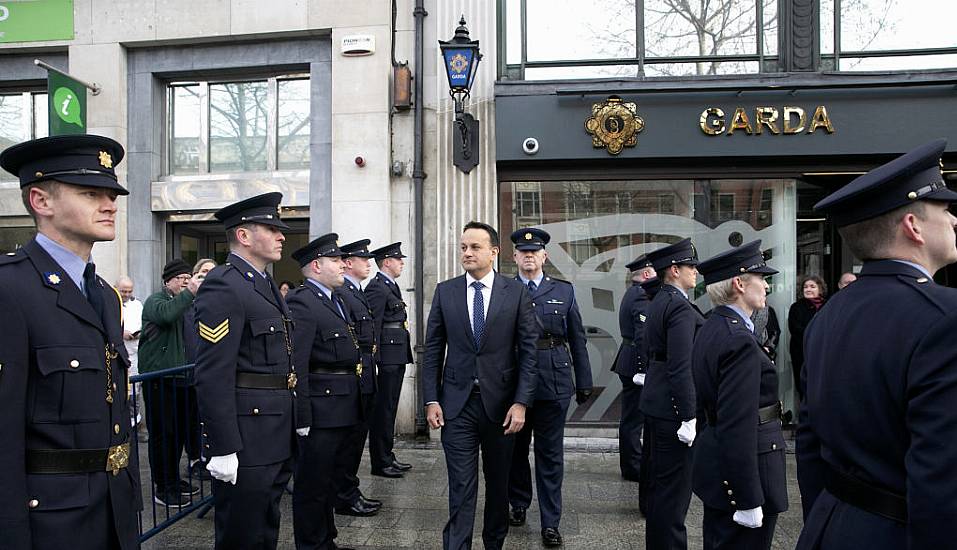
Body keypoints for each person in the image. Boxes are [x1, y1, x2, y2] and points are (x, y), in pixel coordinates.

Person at [796, 139, 957, 549]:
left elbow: (810, 446)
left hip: (831, 525)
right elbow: (942, 480)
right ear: (913, 226)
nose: (954, 220)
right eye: (944, 209)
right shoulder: (944, 317)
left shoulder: (827, 317)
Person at [0, 134, 140, 549]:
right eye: (90, 193)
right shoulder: (10, 289)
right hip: (50, 522)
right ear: (41, 202)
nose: (110, 204)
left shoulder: (102, 292)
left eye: (111, 194)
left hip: (112, 507)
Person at [192, 192, 308, 550]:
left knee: (264, 527)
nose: (281, 236)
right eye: (272, 228)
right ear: (243, 236)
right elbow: (213, 372)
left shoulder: (262, 283)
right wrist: (223, 446)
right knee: (242, 533)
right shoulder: (225, 284)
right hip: (247, 435)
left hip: (274, 430)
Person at [423, 221, 538, 550]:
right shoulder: (446, 291)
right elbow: (433, 349)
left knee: (499, 485)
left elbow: (529, 352)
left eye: (474, 247)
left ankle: (493, 542)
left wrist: (521, 403)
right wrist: (431, 399)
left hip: (501, 408)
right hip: (456, 406)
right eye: (463, 247)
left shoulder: (514, 292)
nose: (467, 253)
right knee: (461, 485)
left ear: (494, 252)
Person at [692, 240, 788, 550]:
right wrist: (747, 497)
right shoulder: (739, 340)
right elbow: (737, 422)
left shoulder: (713, 326)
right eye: (761, 279)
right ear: (739, 283)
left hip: (721, 463)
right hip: (747, 472)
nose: (766, 287)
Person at [507, 228, 593, 547]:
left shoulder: (564, 291)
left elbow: (578, 338)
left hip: (553, 379)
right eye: (523, 251)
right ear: (514, 256)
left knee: (550, 455)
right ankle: (518, 503)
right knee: (515, 450)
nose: (529, 256)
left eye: (535, 251)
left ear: (545, 256)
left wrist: (584, 380)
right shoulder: (503, 289)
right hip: (514, 383)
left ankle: (550, 522)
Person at [287, 233, 362, 550]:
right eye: (335, 260)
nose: (343, 264)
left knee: (329, 479)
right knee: (312, 485)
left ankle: (326, 538)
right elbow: (298, 364)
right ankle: (311, 543)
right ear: (316, 266)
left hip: (343, 406)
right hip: (320, 410)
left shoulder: (336, 299)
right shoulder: (302, 302)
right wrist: (302, 415)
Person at [640, 237, 705, 550]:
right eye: (690, 266)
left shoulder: (661, 300)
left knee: (660, 489)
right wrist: (688, 415)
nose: (696, 271)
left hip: (657, 401)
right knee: (674, 494)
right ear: (674, 270)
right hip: (671, 408)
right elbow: (680, 365)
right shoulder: (677, 306)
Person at [138, 258, 202, 507]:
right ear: (167, 281)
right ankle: (163, 486)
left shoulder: (188, 303)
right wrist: (189, 294)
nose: (187, 283)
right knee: (163, 435)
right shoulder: (157, 301)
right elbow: (167, 316)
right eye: (181, 280)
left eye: (189, 278)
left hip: (183, 379)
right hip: (160, 379)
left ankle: (174, 479)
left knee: (178, 435)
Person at [333, 239, 382, 517]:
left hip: (365, 371)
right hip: (356, 373)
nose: (368, 264)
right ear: (348, 263)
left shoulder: (356, 292)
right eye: (363, 260)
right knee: (350, 441)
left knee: (356, 438)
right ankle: (345, 494)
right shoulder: (344, 293)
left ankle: (349, 490)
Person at [365, 242, 414, 477]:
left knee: (390, 408)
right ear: (386, 262)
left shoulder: (390, 286)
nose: (402, 263)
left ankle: (387, 455)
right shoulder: (377, 287)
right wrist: (374, 360)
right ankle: (381, 461)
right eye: (398, 259)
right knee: (383, 410)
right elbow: (373, 325)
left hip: (396, 355)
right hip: (386, 358)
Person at [611, 254, 655, 488]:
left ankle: (630, 463)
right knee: (633, 419)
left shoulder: (634, 292)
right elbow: (642, 335)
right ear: (647, 274)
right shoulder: (641, 295)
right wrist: (645, 368)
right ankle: (633, 466)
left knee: (631, 416)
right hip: (635, 363)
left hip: (629, 360)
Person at [183, 258, 216, 481]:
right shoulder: (186, 303)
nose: (207, 276)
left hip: (214, 373)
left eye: (212, 273)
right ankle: (195, 459)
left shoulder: (221, 300)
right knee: (193, 420)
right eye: (203, 272)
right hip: (192, 371)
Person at [787, 275, 826, 401]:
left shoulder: (828, 305)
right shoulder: (796, 307)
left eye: (812, 286)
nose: (808, 289)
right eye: (805, 287)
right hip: (802, 353)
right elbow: (796, 329)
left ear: (820, 289)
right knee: (804, 387)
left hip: (824, 353)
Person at [116, 276, 145, 432]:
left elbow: (144, 323)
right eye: (123, 291)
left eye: (129, 291)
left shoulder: (137, 305)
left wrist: (138, 333)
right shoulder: (111, 302)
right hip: (119, 353)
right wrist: (122, 333)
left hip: (135, 352)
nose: (126, 294)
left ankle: (136, 423)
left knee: (135, 390)